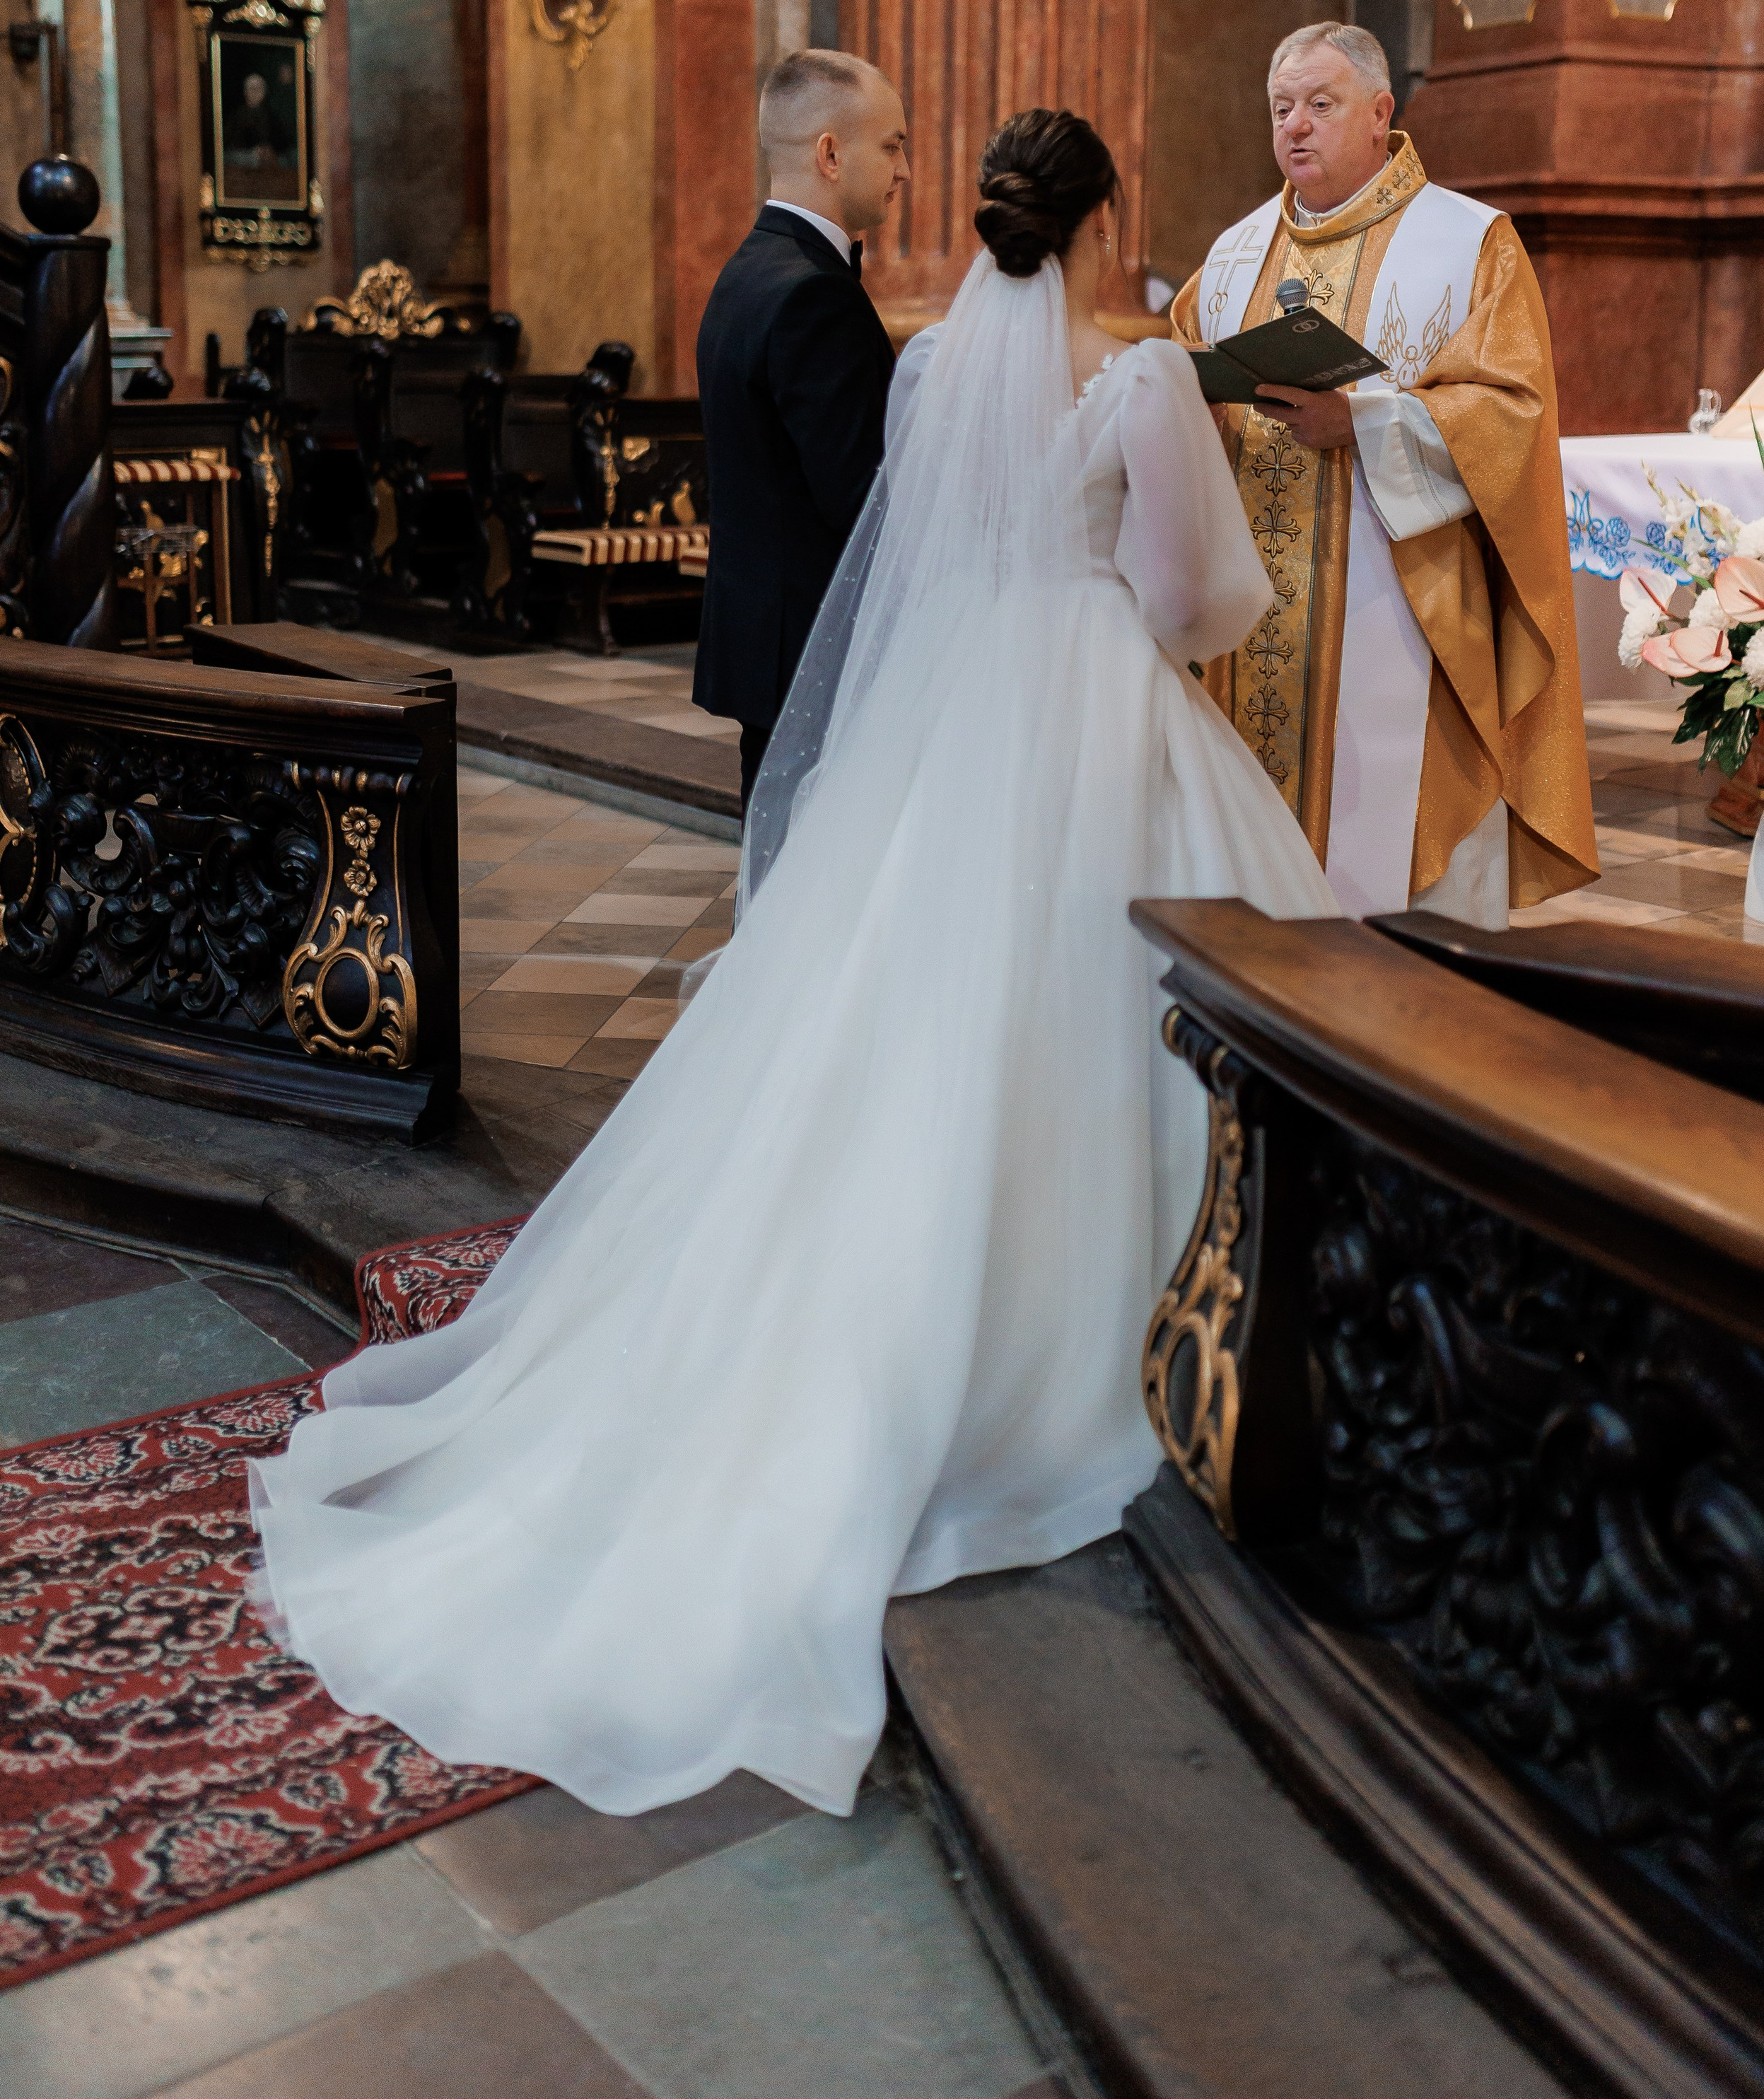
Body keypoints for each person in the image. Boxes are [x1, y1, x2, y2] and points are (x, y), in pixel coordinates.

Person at [247, 107, 1339, 1822]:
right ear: (1098, 223)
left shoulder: (929, 372)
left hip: (949, 721)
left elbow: (914, 553)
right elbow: (1196, 596)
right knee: (1115, 1011)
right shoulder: (1139, 381)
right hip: (1094, 712)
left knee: (894, 1019)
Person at [1170, 21, 1596, 926]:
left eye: (1319, 106)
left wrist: (1362, 423)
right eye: (1280, 109)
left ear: (1379, 113)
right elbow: (1181, 375)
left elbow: (1512, 413)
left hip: (1401, 604)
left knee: (1395, 884)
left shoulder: (1470, 242)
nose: (1295, 127)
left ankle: (1404, 990)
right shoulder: (1235, 254)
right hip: (1251, 611)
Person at [693, 50, 904, 810]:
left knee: (776, 849)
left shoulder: (746, 272)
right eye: (891, 146)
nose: (903, 169)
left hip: (768, 636)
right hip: (817, 644)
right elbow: (862, 499)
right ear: (829, 154)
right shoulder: (816, 295)